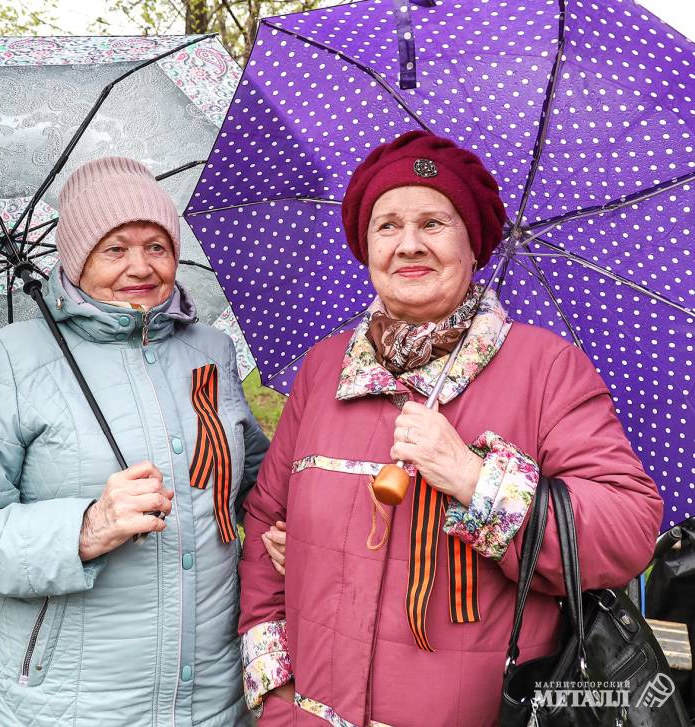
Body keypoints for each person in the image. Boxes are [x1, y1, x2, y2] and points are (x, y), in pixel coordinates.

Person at [238, 131, 664, 726]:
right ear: (365, 246)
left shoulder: (545, 367)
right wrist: (276, 699)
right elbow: (265, 524)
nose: (408, 245)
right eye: (386, 226)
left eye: (434, 223)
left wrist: (473, 479)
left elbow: (627, 528)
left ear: (474, 246)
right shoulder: (323, 367)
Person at [0, 157, 270, 726]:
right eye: (114, 248)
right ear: (77, 257)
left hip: (212, 696)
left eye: (157, 245)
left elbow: (256, 481)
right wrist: (85, 527)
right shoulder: (13, 357)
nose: (141, 266)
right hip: (71, 705)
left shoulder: (211, 350)